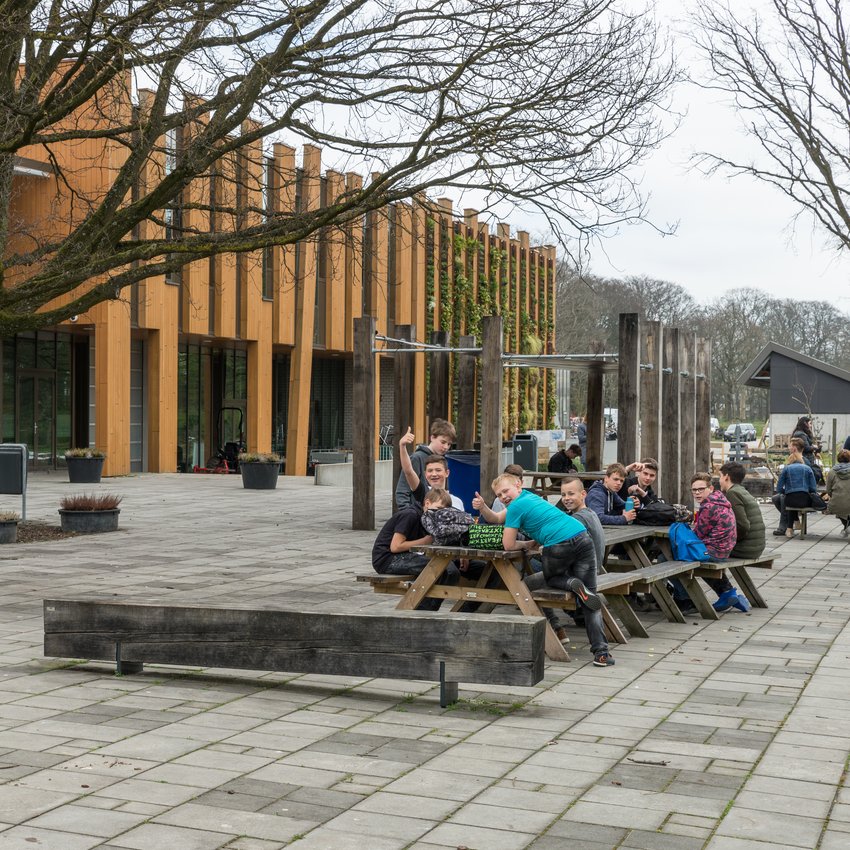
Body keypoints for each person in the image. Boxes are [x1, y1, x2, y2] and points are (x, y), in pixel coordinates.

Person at [492, 473, 614, 667]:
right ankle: (601, 653)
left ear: (518, 486)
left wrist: (525, 545)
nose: (503, 497)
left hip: (558, 544)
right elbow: (545, 522)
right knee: (590, 596)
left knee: (551, 578)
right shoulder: (531, 497)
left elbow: (508, 545)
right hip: (581, 537)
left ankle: (571, 584)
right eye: (499, 495)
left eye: (505, 491)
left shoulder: (514, 507)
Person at [371, 499, 458, 610]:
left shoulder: (428, 520)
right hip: (387, 560)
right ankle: (423, 612)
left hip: (403, 557)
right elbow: (395, 547)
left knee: (451, 571)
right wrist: (425, 541)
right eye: (438, 508)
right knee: (446, 569)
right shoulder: (410, 515)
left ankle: (425, 610)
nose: (439, 513)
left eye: (444, 511)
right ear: (427, 503)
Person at [683, 472, 749, 613]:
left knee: (673, 557)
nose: (697, 493)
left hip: (715, 551)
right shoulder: (720, 500)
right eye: (694, 490)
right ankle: (728, 593)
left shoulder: (708, 507)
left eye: (701, 489)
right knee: (695, 554)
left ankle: (686, 601)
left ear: (711, 488)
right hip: (724, 549)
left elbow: (697, 535)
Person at [715, 462, 764, 611]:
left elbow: (743, 526)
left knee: (706, 553)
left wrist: (727, 541)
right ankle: (728, 594)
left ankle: (726, 593)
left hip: (747, 547)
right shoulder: (741, 490)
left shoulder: (732, 493)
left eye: (720, 476)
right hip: (756, 545)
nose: (719, 480)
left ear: (727, 477)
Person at [395, 419, 456, 509]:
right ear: (432, 438)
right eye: (443, 442)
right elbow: (403, 488)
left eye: (449, 444)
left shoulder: (444, 459)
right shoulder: (417, 458)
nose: (446, 447)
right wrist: (407, 512)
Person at [772, 450, 825, 537]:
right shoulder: (807, 469)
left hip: (790, 500)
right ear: (801, 460)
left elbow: (779, 488)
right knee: (798, 499)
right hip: (804, 500)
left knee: (790, 501)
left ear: (790, 460)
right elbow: (813, 488)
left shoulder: (786, 469)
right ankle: (795, 524)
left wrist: (785, 492)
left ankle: (790, 529)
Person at [791, 415, 824, 484]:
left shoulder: (802, 433)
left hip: (806, 457)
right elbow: (805, 448)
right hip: (805, 457)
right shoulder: (801, 435)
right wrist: (814, 447)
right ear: (805, 424)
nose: (811, 426)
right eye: (810, 423)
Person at [826, 450, 850, 536]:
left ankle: (846, 526)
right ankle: (848, 526)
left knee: (837, 507)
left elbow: (828, 490)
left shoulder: (832, 471)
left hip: (836, 503)